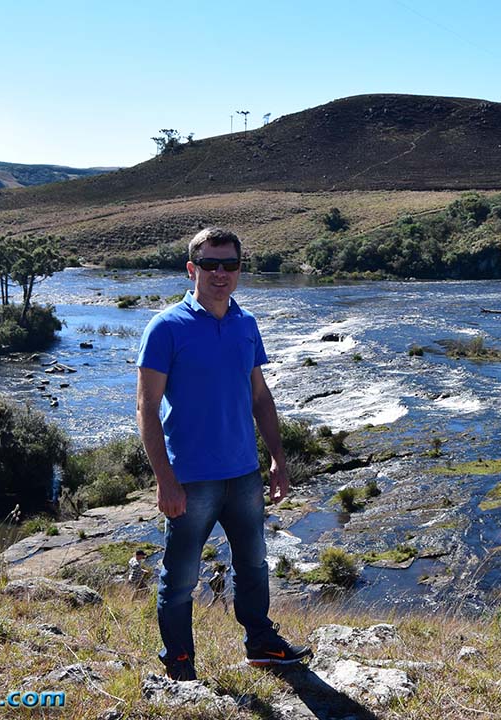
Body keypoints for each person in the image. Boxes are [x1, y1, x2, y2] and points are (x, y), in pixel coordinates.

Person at [136, 227, 312, 682]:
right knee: (180, 577)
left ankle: (261, 644)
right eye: (210, 264)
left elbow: (260, 396)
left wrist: (277, 457)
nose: (220, 274)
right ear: (192, 269)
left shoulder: (246, 324)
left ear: (239, 270)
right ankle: (178, 661)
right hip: (191, 478)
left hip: (243, 473)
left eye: (229, 265)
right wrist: (164, 479)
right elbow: (146, 408)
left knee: (253, 564)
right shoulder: (165, 327)